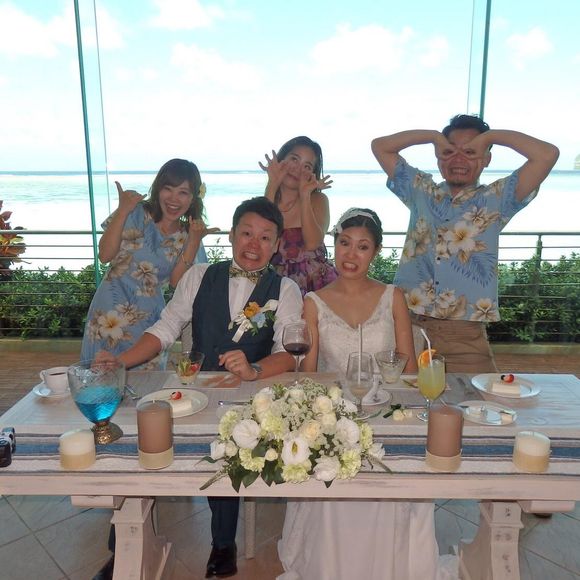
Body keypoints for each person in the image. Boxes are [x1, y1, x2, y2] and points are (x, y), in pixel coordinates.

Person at [94, 197, 303, 580]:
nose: (253, 244)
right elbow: (165, 328)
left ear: (276, 245)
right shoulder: (198, 275)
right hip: (196, 389)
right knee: (146, 438)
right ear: (231, 235)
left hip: (251, 392)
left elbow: (289, 353)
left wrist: (254, 369)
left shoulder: (286, 289)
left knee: (229, 442)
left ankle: (223, 543)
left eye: (264, 237)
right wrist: (121, 360)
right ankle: (123, 546)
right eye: (246, 233)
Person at [278, 209, 459, 580]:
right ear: (334, 245)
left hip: (389, 413)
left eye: (362, 247)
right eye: (344, 243)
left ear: (375, 252)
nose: (351, 254)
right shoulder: (313, 302)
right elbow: (310, 374)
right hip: (335, 418)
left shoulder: (393, 297)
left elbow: (409, 369)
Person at [371, 115, 559, 372]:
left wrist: (490, 137)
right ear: (439, 156)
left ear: (486, 159)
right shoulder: (420, 190)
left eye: (470, 152)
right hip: (407, 326)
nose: (458, 159)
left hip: (464, 334)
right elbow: (381, 146)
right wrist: (433, 137)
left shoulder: (498, 198)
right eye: (450, 151)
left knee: (480, 396)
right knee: (402, 396)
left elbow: (547, 154)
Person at [81, 158, 215, 369]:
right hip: (108, 314)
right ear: (158, 189)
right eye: (168, 189)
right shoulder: (135, 213)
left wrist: (194, 241)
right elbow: (105, 255)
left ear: (193, 198)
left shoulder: (189, 233)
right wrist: (122, 210)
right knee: (101, 375)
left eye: (183, 192)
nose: (174, 199)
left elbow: (176, 282)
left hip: (148, 319)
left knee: (146, 382)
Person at [260, 135, 338, 296]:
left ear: (313, 173)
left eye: (307, 166)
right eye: (294, 159)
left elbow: (313, 243)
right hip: (274, 284)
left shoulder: (318, 200)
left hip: (315, 284)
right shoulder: (266, 200)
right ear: (281, 159)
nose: (298, 169)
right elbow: (262, 235)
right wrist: (272, 184)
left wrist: (305, 196)